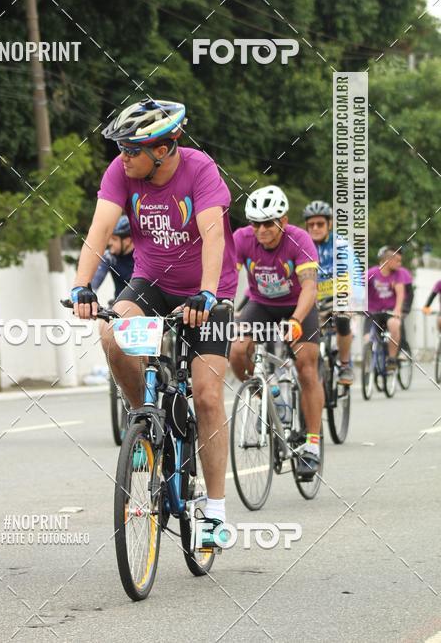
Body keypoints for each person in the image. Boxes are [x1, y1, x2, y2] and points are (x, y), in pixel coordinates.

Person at [69, 99, 238, 547]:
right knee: (112, 333)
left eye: (132, 149)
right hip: (152, 281)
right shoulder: (121, 172)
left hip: (207, 288)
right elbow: (99, 230)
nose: (123, 157)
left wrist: (207, 294)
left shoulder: (200, 170)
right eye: (121, 148)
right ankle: (142, 418)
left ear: (163, 149)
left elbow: (214, 234)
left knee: (205, 397)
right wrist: (82, 285)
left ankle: (215, 513)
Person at [230, 185, 322, 478]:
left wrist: (296, 319)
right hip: (261, 305)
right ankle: (270, 398)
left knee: (307, 367)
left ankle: (312, 445)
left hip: (298, 306)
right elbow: (227, 277)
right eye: (255, 223)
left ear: (283, 221)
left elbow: (309, 286)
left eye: (268, 223)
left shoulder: (299, 239)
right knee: (237, 351)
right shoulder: (242, 239)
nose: (261, 230)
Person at [303, 200, 363, 385]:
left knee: (343, 317)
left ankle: (345, 365)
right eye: (311, 224)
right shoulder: (301, 244)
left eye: (320, 224)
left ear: (329, 224)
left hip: (338, 296)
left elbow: (353, 273)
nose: (315, 228)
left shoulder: (340, 244)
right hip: (312, 298)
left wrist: (356, 298)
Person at [365, 246, 405, 374]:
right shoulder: (371, 273)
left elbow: (400, 293)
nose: (400, 264)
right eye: (397, 261)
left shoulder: (398, 275)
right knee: (367, 339)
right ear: (388, 260)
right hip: (372, 312)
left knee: (395, 324)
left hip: (389, 312)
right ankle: (368, 365)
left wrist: (398, 309)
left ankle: (391, 359)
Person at [91, 215, 134, 299]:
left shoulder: (142, 257)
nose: (109, 243)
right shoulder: (109, 257)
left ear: (128, 241)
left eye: (114, 239)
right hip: (119, 307)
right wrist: (89, 293)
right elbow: (96, 278)